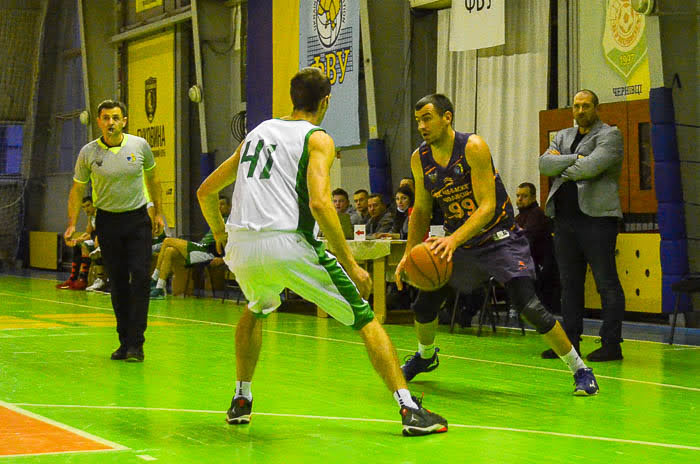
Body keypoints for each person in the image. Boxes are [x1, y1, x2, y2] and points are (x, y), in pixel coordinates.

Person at [197, 67, 447, 436]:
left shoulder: (257, 133)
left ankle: (241, 399)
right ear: (326, 101)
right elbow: (319, 202)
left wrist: (218, 232)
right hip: (288, 243)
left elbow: (205, 190)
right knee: (365, 319)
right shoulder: (318, 139)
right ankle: (409, 410)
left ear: (292, 97)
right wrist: (351, 264)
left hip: (242, 245)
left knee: (257, 307)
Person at [394, 93, 599, 396]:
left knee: (529, 306)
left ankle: (580, 369)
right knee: (424, 303)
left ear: (446, 117)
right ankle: (425, 356)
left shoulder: (473, 147)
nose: (422, 126)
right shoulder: (419, 158)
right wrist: (410, 253)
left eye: (427, 118)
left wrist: (452, 239)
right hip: (459, 242)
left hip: (498, 238)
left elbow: (487, 206)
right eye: (418, 121)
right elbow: (422, 210)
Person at [65, 99, 163, 363]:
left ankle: (137, 344)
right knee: (117, 282)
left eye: (116, 117)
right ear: (99, 122)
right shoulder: (88, 153)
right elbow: (76, 190)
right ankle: (124, 341)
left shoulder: (139, 146)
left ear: (125, 121)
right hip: (107, 222)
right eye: (106, 118)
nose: (111, 123)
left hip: (137, 220)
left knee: (141, 277)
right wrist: (72, 222)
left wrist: (160, 213)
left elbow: (153, 180)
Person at [539, 89, 625, 362]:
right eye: (576, 106)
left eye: (586, 106)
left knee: (606, 283)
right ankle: (570, 343)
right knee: (569, 285)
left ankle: (611, 344)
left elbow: (590, 169)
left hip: (597, 220)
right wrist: (575, 159)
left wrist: (563, 166)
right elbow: (544, 164)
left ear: (596, 108)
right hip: (564, 221)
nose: (580, 111)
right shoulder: (562, 135)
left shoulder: (610, 135)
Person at [149, 196, 231, 299]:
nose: (219, 207)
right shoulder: (216, 220)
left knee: (167, 241)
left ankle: (154, 278)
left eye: (222, 204)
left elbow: (234, 244)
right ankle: (160, 288)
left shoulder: (231, 222)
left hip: (208, 252)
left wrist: (223, 259)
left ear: (229, 207)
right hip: (200, 249)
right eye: (217, 205)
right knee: (170, 251)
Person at [515, 182, 560, 315]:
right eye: (518, 196)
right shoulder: (518, 217)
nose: (519, 199)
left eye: (524, 196)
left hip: (539, 267)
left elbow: (526, 241)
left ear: (533, 197)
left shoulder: (537, 214)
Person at [57, 196, 97, 290]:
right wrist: (76, 240)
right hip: (95, 241)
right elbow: (88, 233)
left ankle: (83, 278)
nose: (86, 209)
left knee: (85, 245)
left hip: (103, 242)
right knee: (77, 246)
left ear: (94, 204)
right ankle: (73, 278)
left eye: (88, 205)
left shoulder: (100, 215)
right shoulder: (90, 217)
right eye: (84, 207)